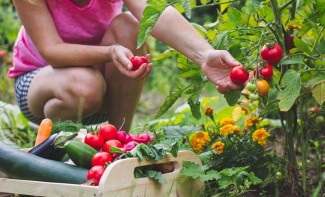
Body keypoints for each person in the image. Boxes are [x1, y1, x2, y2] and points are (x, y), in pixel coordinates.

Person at [8, 0, 243, 131]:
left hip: (102, 87)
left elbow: (155, 14)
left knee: (130, 26)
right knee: (83, 85)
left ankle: (117, 140)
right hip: (42, 86)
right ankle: (54, 150)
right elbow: (53, 52)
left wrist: (204, 55)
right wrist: (110, 52)